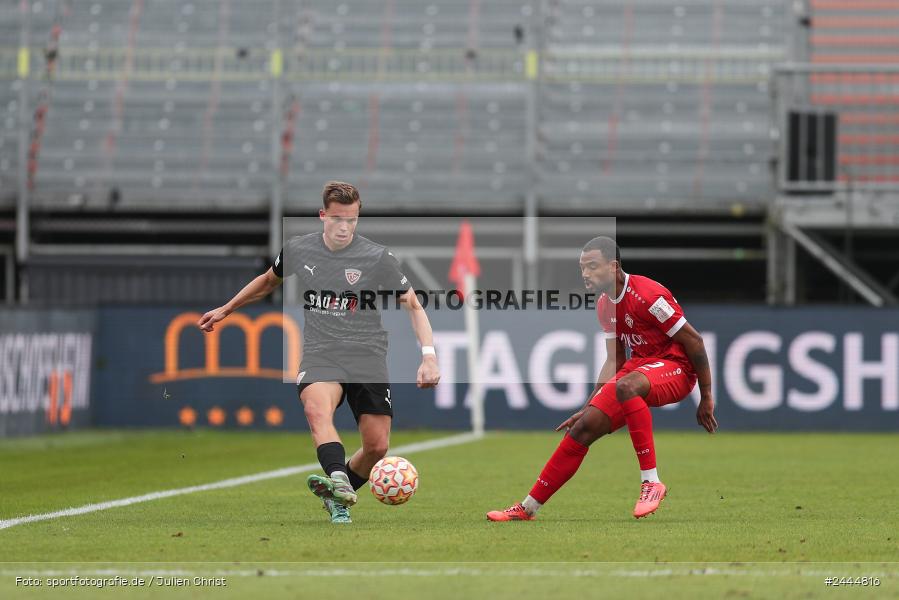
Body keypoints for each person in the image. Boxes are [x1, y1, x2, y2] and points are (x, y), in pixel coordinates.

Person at [198, 181, 440, 524]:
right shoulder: (299, 249)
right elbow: (268, 281)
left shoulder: (377, 257)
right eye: (338, 219)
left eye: (352, 220)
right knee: (316, 410)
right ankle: (338, 479)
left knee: (377, 447)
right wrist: (227, 309)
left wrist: (428, 355)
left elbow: (413, 306)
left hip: (367, 355)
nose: (344, 227)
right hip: (321, 352)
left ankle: (338, 496)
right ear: (323, 215)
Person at [487, 235, 717, 521]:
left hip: (677, 368)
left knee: (627, 385)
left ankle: (651, 482)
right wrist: (589, 404)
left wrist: (706, 396)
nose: (585, 274)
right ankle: (528, 508)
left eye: (592, 266)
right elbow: (616, 360)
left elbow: (694, 341)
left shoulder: (649, 296)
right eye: (582, 268)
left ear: (614, 266)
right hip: (639, 368)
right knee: (583, 428)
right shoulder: (605, 305)